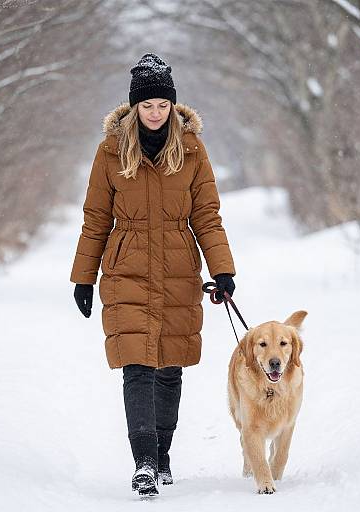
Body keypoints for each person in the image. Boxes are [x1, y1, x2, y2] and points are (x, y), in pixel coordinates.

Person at [69, 53, 236, 497]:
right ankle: (143, 462)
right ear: (134, 106)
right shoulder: (110, 150)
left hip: (179, 266)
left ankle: (163, 455)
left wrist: (222, 270)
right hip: (127, 266)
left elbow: (207, 215)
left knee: (170, 367)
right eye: (148, 105)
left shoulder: (193, 149)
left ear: (173, 105)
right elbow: (95, 218)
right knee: (137, 365)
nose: (156, 112)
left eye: (163, 104)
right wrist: (83, 277)